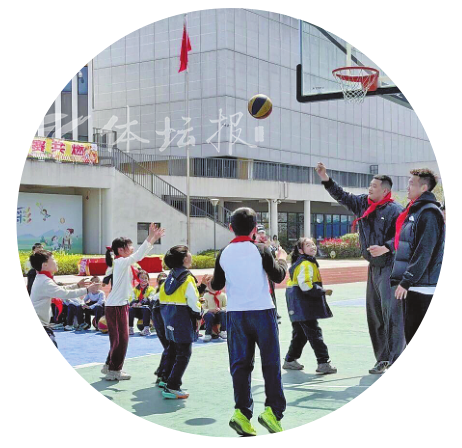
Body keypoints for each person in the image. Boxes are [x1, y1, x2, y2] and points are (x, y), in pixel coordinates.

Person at [205, 207, 288, 435]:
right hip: (262, 312)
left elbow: (217, 284)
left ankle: (241, 413)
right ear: (254, 228)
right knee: (270, 363)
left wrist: (209, 284)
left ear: (230, 227)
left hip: (236, 314)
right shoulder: (261, 250)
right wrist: (282, 260)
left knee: (240, 365)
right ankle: (273, 412)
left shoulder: (224, 253)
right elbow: (278, 276)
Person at [316, 162, 405, 374]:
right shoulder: (363, 204)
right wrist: (325, 177)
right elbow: (342, 195)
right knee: (375, 315)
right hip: (373, 268)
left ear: (385, 191)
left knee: (392, 315)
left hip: (390, 267)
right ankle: (382, 359)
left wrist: (386, 247)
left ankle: (396, 359)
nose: (370, 188)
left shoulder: (395, 210)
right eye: (370, 185)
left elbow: (403, 236)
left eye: (374, 186)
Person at [101, 223, 165, 381]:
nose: (132, 249)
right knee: (122, 339)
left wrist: (152, 238)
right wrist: (150, 237)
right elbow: (138, 255)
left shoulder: (121, 262)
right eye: (129, 246)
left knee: (118, 339)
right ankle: (114, 371)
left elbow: (138, 255)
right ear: (121, 250)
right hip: (116, 306)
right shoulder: (121, 262)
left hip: (117, 305)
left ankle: (109, 365)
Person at [391, 169, 445, 344]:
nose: (407, 187)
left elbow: (424, 251)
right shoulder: (416, 211)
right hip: (416, 286)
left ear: (424, 188)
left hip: (423, 288)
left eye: (411, 184)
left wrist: (407, 280)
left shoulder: (429, 213)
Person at [283, 238, 337, 374]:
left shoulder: (303, 262)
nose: (313, 246)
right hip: (302, 304)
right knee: (314, 333)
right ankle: (323, 362)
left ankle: (290, 360)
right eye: (308, 245)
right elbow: (306, 285)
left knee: (300, 334)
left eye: (313, 244)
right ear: (301, 250)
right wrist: (322, 291)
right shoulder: (306, 264)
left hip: (296, 303)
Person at [158, 245, 202, 399]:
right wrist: (198, 315)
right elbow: (193, 301)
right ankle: (172, 386)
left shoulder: (170, 276)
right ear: (184, 258)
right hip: (182, 318)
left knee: (172, 350)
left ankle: (165, 378)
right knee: (184, 353)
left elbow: (163, 297)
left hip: (168, 316)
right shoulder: (187, 278)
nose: (191, 255)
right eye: (189, 253)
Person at [29, 250, 98, 347]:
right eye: (53, 259)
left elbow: (60, 290)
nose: (56, 261)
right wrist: (87, 290)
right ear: (45, 265)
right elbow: (65, 294)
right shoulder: (45, 281)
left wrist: (77, 285)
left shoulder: (43, 278)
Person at [151, 271, 169, 385]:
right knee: (171, 349)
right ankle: (163, 375)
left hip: (161, 325)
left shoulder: (156, 297)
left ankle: (161, 373)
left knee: (169, 349)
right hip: (163, 325)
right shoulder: (160, 297)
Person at [129, 270, 155, 336]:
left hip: (147, 311)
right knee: (130, 309)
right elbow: (132, 298)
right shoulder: (134, 290)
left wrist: (141, 302)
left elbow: (150, 298)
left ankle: (146, 329)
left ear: (148, 279)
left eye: (146, 278)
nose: (144, 280)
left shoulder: (151, 289)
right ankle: (130, 328)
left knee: (146, 308)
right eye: (142, 278)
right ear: (138, 279)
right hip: (138, 310)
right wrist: (134, 303)